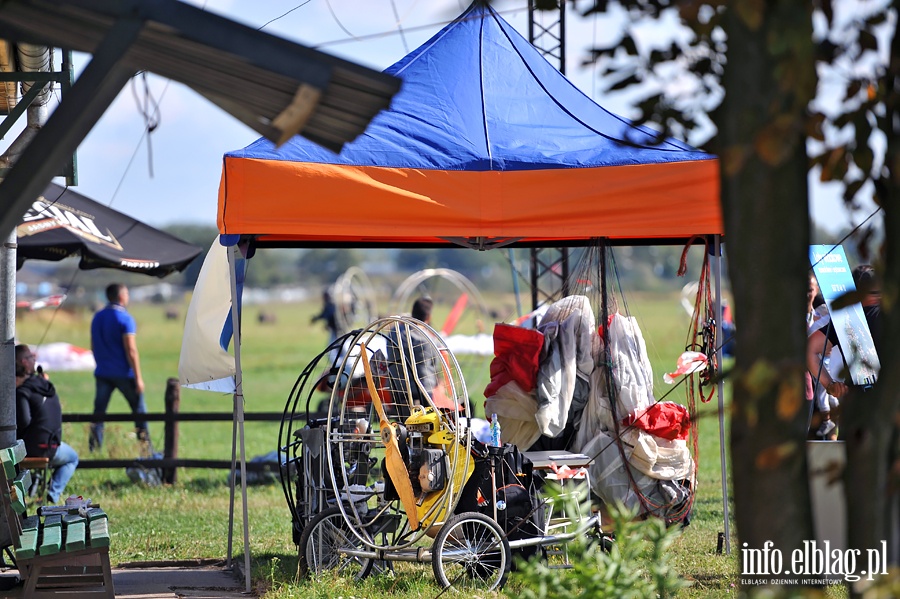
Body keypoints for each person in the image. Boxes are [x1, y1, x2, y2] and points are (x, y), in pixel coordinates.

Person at [806, 265, 882, 439]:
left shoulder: (846, 319)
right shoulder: (891, 315)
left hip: (856, 411)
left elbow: (810, 350)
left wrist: (830, 385)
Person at [15, 344, 79, 504]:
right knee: (72, 458)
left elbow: (23, 422)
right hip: (52, 447)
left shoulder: (22, 392)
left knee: (72, 458)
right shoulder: (46, 386)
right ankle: (53, 493)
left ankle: (43, 490)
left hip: (28, 449)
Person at [90, 283, 150, 451]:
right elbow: (131, 350)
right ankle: (146, 448)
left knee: (98, 413)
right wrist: (138, 377)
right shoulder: (125, 318)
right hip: (124, 373)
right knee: (139, 411)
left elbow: (93, 346)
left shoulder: (97, 317)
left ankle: (94, 448)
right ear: (121, 296)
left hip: (102, 372)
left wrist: (101, 363)